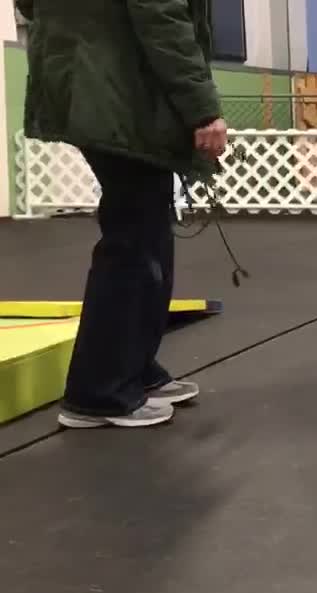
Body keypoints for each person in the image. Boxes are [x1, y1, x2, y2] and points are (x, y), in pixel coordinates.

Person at [20, 0, 226, 428]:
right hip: (119, 92)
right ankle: (99, 394)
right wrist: (202, 107)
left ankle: (132, 370)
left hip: (91, 81)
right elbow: (163, 18)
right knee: (133, 242)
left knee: (145, 232)